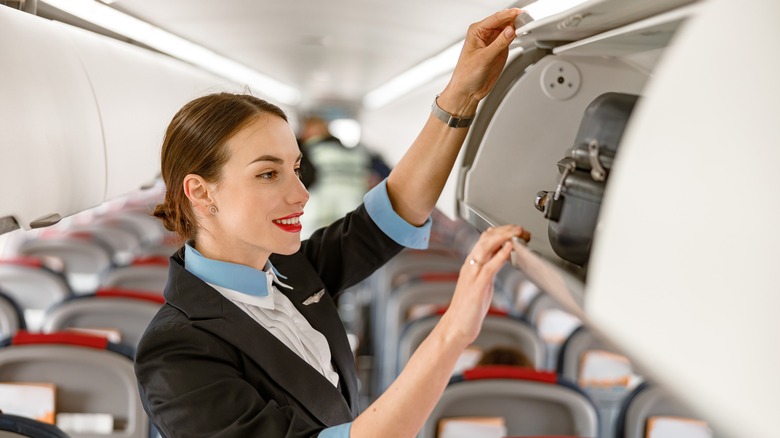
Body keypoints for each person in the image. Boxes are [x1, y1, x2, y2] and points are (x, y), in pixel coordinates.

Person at [134, 8, 529, 438]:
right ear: (201, 191)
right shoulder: (176, 350)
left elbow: (393, 212)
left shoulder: (289, 271)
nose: (301, 194)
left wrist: (461, 94)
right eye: (268, 174)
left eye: (297, 169)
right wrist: (452, 331)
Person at [297, 115, 372, 237]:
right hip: (352, 209)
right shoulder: (356, 152)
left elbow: (306, 179)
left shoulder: (309, 150)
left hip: (320, 212)